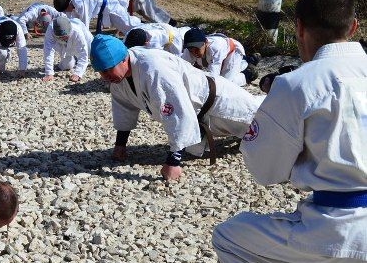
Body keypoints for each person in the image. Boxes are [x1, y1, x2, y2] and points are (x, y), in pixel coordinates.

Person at [212, 0, 366, 263]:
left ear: (297, 28)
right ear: (353, 27)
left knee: (232, 236)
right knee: (329, 212)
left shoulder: (298, 84)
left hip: (341, 229)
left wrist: (302, 155)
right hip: (354, 231)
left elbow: (266, 171)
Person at [90, 34, 264, 181]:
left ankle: (282, 92)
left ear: (123, 58)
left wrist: (173, 162)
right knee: (247, 133)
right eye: (101, 72)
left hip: (218, 101)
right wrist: (121, 145)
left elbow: (176, 111)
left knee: (263, 120)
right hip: (200, 112)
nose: (104, 77)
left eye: (107, 70)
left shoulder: (153, 68)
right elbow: (124, 106)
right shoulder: (119, 79)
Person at [182, 28, 259, 86]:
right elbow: (181, 66)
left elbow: (213, 77)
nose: (194, 52)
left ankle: (247, 73)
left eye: (196, 49)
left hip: (233, 51)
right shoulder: (189, 49)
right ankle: (249, 60)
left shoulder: (216, 48)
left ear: (206, 42)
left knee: (225, 84)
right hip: (213, 54)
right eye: (191, 50)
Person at [54, 0, 141, 35]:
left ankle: (148, 27)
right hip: (103, 10)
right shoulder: (71, 4)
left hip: (111, 5)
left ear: (67, 5)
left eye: (65, 10)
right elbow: (71, 21)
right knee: (124, 28)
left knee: (128, 26)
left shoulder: (81, 3)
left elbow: (84, 26)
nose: (66, 12)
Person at [42, 16, 92, 83]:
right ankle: (73, 59)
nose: (63, 39)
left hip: (83, 38)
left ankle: (79, 60)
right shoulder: (50, 30)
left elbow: (83, 53)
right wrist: (49, 73)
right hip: (64, 45)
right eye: (61, 37)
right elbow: (48, 51)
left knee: (93, 55)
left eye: (65, 37)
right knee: (67, 66)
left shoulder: (77, 31)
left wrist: (78, 73)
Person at [123, 23, 193, 56]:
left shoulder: (153, 44)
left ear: (146, 43)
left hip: (173, 37)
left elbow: (159, 56)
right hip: (160, 26)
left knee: (177, 59)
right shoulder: (130, 32)